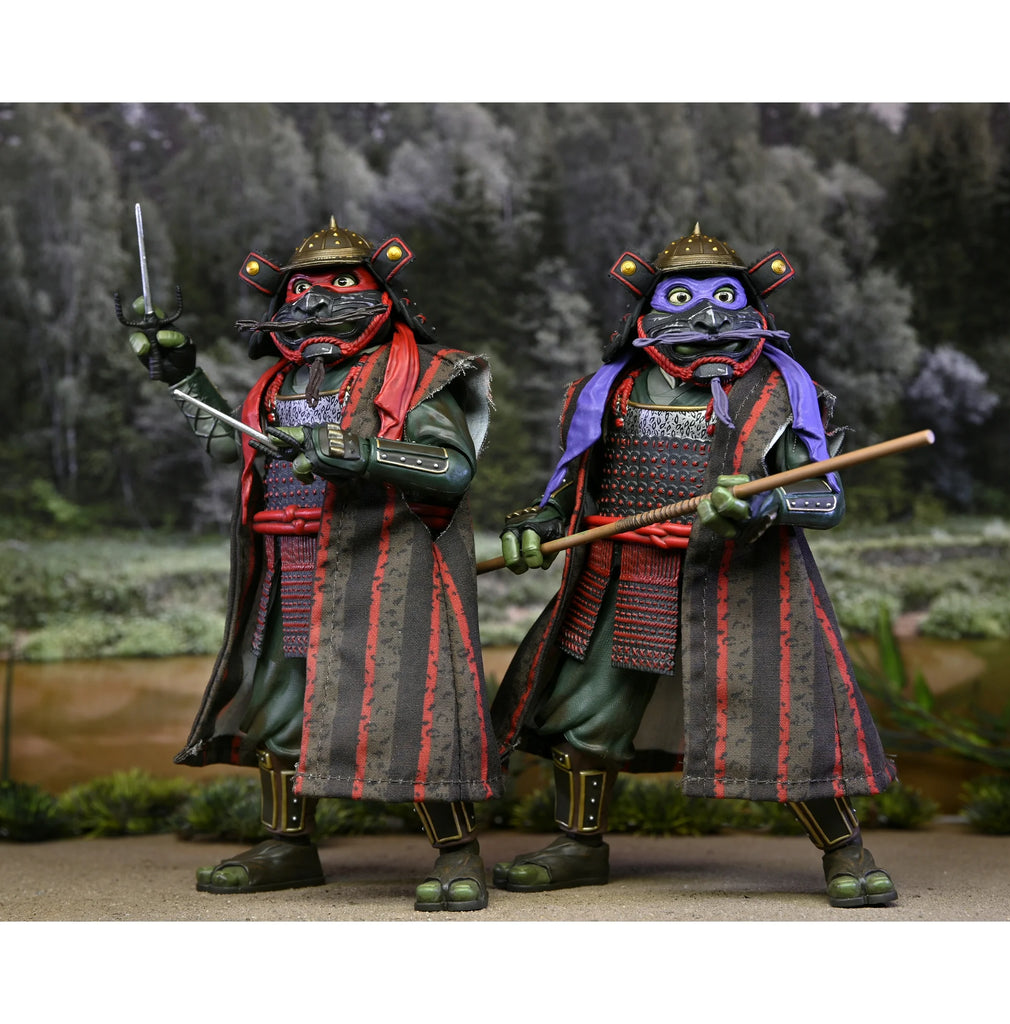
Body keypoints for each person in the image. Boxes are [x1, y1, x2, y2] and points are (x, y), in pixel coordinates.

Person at [491, 224, 898, 908]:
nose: (708, 317)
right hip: (622, 578)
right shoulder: (607, 392)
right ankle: (577, 844)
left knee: (786, 716)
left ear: (754, 308)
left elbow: (824, 498)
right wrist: (537, 523)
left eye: (725, 298)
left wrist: (763, 504)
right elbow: (573, 484)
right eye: (682, 298)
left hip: (744, 582)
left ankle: (845, 850)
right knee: (586, 713)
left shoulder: (781, 395)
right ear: (646, 313)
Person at [123, 217, 501, 911]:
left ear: (383, 297)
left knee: (411, 710)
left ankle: (457, 851)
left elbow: (452, 468)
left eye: (341, 285)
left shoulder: (418, 376)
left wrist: (366, 454)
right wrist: (186, 379)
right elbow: (233, 446)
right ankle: (287, 844)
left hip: (385, 570)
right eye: (301, 292)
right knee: (279, 710)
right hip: (286, 570)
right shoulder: (276, 386)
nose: (317, 303)